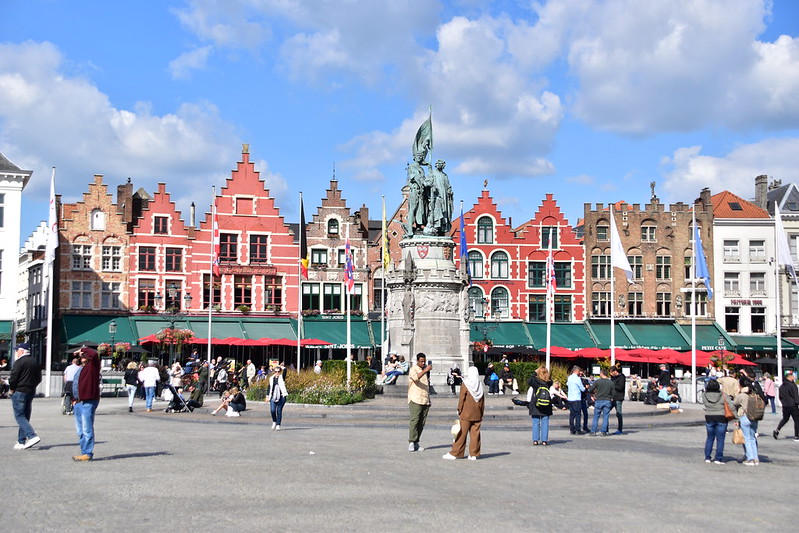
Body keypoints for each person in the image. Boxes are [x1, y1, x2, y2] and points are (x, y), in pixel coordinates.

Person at [443, 366, 484, 460]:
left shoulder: (466, 384)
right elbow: (482, 400)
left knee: (461, 433)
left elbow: (462, 398)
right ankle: (474, 454)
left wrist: (459, 409)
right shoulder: (479, 384)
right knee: (475, 434)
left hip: (466, 412)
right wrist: (481, 412)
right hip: (477, 412)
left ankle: (456, 453)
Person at [9, 343, 42, 450]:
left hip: (19, 390)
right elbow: (39, 378)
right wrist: (32, 386)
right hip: (30, 391)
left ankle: (32, 436)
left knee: (19, 416)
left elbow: (14, 377)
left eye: (17, 350)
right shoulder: (34, 361)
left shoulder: (19, 362)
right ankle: (21, 440)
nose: (16, 352)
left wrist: (12, 387)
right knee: (25, 415)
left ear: (22, 351)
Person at [72, 346, 101, 461]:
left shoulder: (93, 366)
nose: (82, 356)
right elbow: (76, 385)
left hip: (88, 401)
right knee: (80, 430)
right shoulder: (82, 368)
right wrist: (74, 400)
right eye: (81, 355)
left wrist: (83, 349)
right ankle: (84, 451)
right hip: (79, 402)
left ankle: (87, 453)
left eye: (84, 355)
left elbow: (94, 355)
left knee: (86, 428)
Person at [703, 378, 735, 464]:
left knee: (710, 438)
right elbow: (731, 406)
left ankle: (707, 457)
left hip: (709, 416)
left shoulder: (704, 395)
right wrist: (736, 418)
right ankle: (718, 458)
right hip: (721, 417)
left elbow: (705, 404)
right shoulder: (723, 395)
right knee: (720, 439)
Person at [408, 353, 432, 452]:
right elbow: (415, 378)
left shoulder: (424, 371)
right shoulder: (413, 369)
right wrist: (425, 370)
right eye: (421, 361)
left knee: (422, 422)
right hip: (415, 398)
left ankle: (416, 442)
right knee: (415, 420)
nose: (423, 363)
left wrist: (429, 399)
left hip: (424, 399)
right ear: (417, 361)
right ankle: (411, 442)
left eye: (424, 361)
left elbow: (426, 386)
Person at [734, 384, 760, 465]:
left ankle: (750, 459)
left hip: (744, 416)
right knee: (752, 438)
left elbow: (735, 402)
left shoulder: (741, 395)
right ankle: (756, 458)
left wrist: (737, 393)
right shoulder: (754, 394)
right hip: (755, 417)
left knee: (747, 439)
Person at [528, 366, 554, 445]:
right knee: (545, 422)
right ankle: (544, 440)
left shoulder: (535, 382)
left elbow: (529, 380)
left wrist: (534, 373)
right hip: (546, 404)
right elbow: (551, 380)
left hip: (536, 403)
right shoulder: (548, 383)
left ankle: (535, 440)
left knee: (536, 422)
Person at [773, 372, 799, 441]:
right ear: (789, 377)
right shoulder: (792, 385)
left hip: (785, 405)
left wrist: (783, 402)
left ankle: (777, 430)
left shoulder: (782, 386)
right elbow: (795, 395)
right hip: (793, 405)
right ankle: (796, 435)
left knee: (785, 419)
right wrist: (797, 402)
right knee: (797, 420)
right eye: (793, 376)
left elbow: (780, 397)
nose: (794, 377)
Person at [589, 369, 613, 436]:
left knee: (596, 416)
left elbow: (591, 389)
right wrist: (611, 398)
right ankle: (604, 431)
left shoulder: (598, 381)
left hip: (599, 400)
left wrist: (593, 395)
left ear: (601, 374)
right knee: (606, 416)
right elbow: (613, 393)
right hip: (607, 400)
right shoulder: (611, 382)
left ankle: (593, 431)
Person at [566, 366, 585, 435]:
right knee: (578, 414)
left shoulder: (569, 377)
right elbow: (582, 388)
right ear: (576, 371)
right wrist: (585, 388)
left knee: (572, 414)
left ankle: (572, 429)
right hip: (576, 398)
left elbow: (567, 384)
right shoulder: (577, 379)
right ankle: (578, 429)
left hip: (570, 398)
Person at [610, 366, 626, 435]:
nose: (610, 374)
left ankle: (620, 429)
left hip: (618, 398)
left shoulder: (621, 377)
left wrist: (613, 384)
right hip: (612, 397)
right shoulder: (613, 378)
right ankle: (605, 428)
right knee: (606, 411)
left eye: (611, 372)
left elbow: (620, 387)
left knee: (619, 413)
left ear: (615, 371)